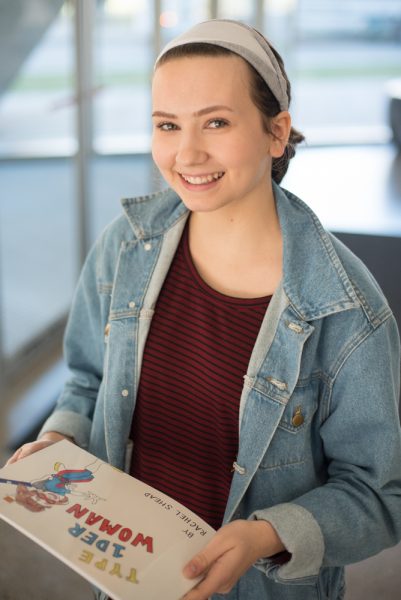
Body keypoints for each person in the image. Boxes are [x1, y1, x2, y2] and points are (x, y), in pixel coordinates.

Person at [7, 19, 401, 600]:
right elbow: (88, 382)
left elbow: (377, 493)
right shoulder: (124, 247)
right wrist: (58, 443)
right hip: (129, 574)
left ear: (276, 133)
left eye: (216, 122)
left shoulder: (347, 309)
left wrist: (264, 535)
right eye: (168, 125)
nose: (186, 153)